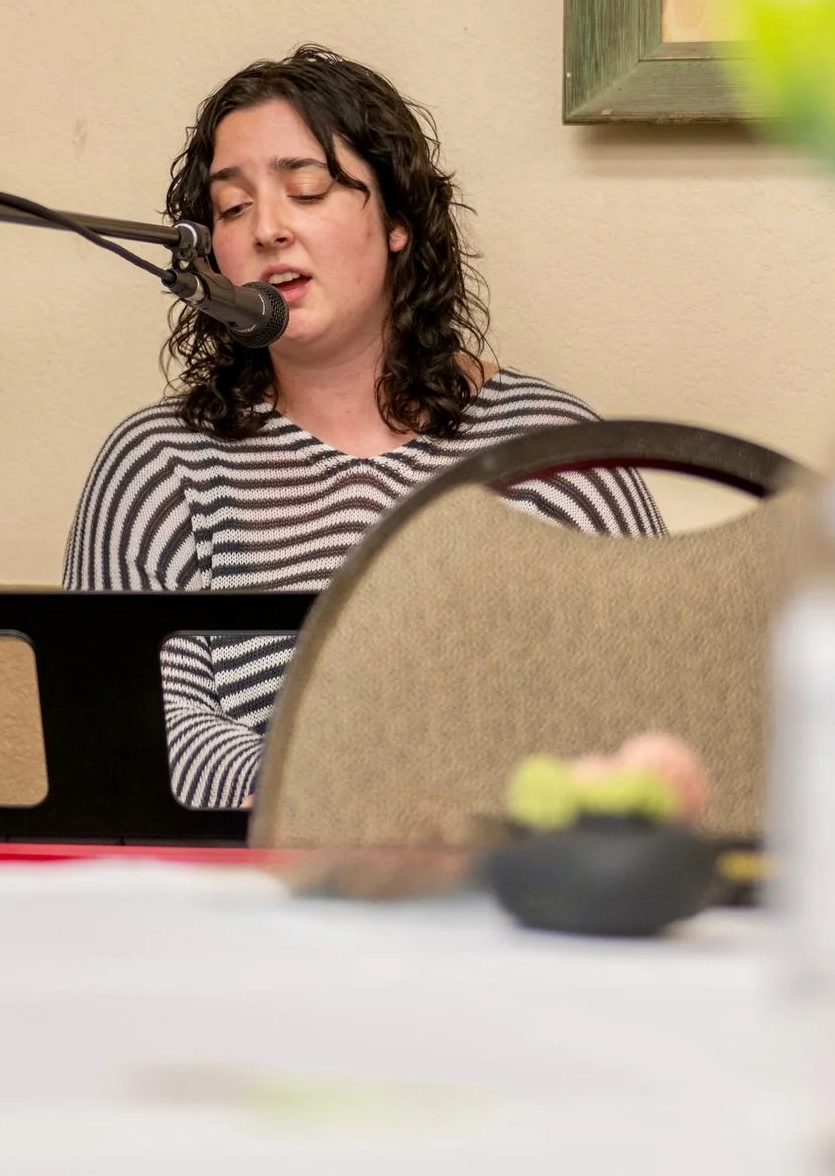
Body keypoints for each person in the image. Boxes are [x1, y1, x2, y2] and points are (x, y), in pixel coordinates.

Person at [64, 45, 662, 810]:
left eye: (307, 191)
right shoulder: (159, 465)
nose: (267, 230)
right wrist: (379, 785)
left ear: (398, 224)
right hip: (239, 909)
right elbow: (136, 740)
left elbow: (645, 719)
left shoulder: (553, 451)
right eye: (232, 208)